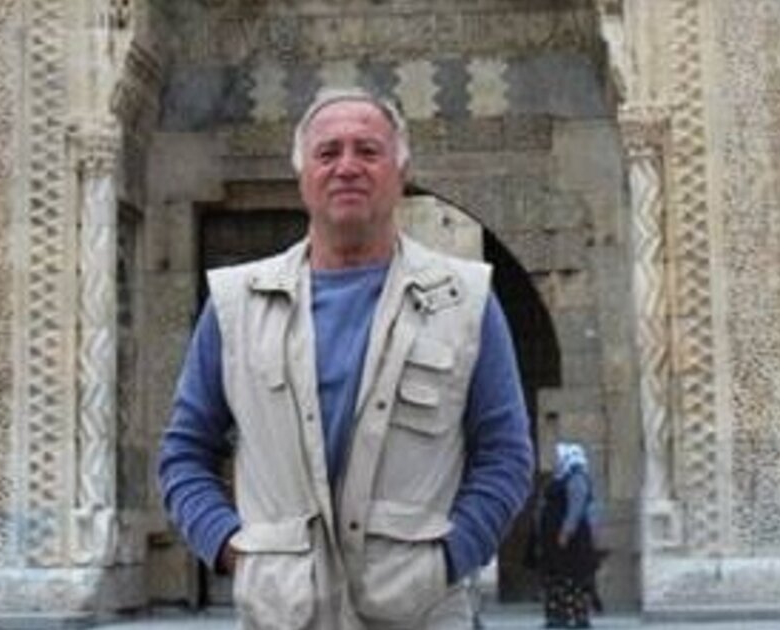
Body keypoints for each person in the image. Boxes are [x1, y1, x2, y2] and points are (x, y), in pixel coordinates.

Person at [157, 86, 534, 629]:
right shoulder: (237, 306)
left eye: (368, 151)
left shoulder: (465, 302)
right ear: (302, 176)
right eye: (328, 152)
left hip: (421, 613)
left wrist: (447, 560)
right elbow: (183, 452)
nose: (347, 167)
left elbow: (506, 455)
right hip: (281, 614)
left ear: (401, 172)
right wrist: (233, 552)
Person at [536, 442, 599, 629]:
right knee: (555, 577)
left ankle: (575, 617)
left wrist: (566, 531)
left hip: (571, 541)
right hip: (554, 542)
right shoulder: (560, 477)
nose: (556, 461)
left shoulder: (577, 478)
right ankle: (557, 617)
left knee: (572, 577)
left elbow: (576, 507)